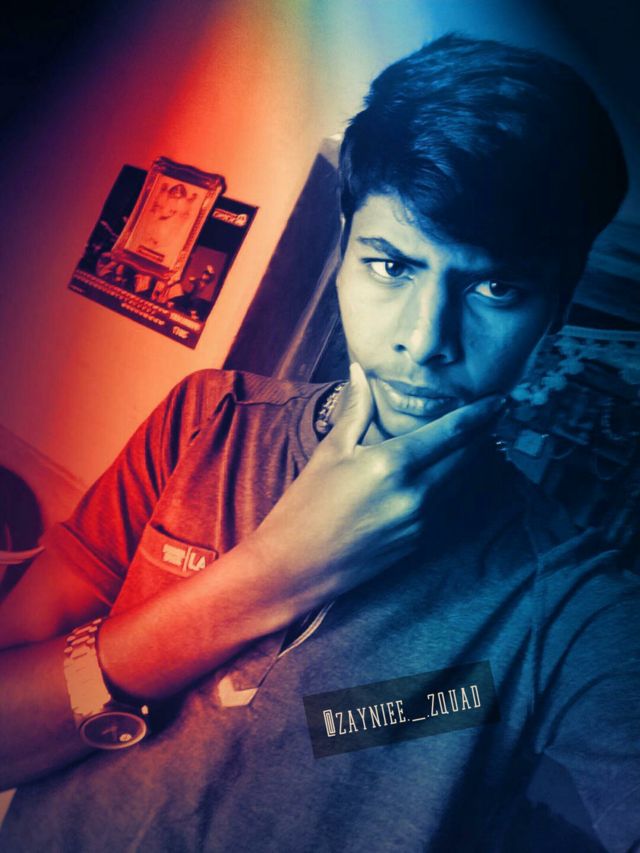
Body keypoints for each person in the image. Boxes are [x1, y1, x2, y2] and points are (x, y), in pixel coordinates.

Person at [0, 33, 638, 851]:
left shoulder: (571, 603)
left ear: (556, 309)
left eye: (495, 287)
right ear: (343, 251)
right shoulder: (207, 420)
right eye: (392, 266)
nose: (424, 340)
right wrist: (271, 575)